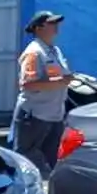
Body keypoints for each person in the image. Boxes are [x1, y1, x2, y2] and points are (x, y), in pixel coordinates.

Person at [12, 10, 71, 176]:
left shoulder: (54, 50)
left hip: (54, 114)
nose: (56, 27)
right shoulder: (34, 53)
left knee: (53, 161)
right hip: (35, 115)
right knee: (25, 161)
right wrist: (60, 82)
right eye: (51, 24)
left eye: (56, 24)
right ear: (38, 28)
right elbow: (27, 84)